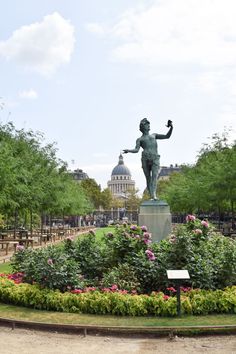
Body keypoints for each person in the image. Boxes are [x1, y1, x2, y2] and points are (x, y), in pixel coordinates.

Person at [123, 118, 173, 200]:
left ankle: (154, 195)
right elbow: (136, 150)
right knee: (148, 178)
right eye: (147, 124)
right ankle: (152, 196)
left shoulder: (154, 135)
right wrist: (128, 150)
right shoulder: (140, 139)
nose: (148, 125)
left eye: (148, 124)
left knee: (154, 177)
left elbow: (167, 136)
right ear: (143, 127)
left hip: (155, 158)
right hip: (145, 158)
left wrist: (171, 127)